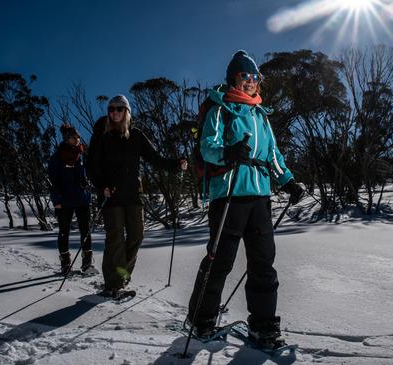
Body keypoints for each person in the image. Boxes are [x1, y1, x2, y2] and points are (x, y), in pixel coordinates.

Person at [186, 50, 304, 349]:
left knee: (263, 261)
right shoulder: (220, 108)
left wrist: (288, 181)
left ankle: (263, 325)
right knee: (220, 260)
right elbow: (208, 146)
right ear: (233, 79)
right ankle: (202, 319)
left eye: (255, 77)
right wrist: (228, 152)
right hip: (228, 194)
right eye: (245, 76)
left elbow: (273, 155)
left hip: (260, 196)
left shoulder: (259, 115)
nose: (251, 81)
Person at [87, 95, 187, 298]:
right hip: (111, 195)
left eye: (119, 109)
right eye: (111, 109)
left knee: (137, 236)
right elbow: (91, 165)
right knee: (115, 240)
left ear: (127, 112)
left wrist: (176, 164)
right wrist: (101, 186)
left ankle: (121, 275)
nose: (114, 112)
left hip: (133, 194)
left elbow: (155, 158)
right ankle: (113, 285)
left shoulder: (136, 135)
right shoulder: (102, 135)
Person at [47, 124, 97, 275]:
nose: (78, 139)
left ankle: (87, 264)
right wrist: (56, 201)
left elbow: (86, 175)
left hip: (82, 199)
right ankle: (65, 264)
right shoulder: (56, 158)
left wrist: (86, 182)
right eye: (75, 137)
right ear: (67, 138)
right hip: (64, 201)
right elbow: (52, 182)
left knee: (86, 231)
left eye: (78, 137)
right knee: (64, 231)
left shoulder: (81, 156)